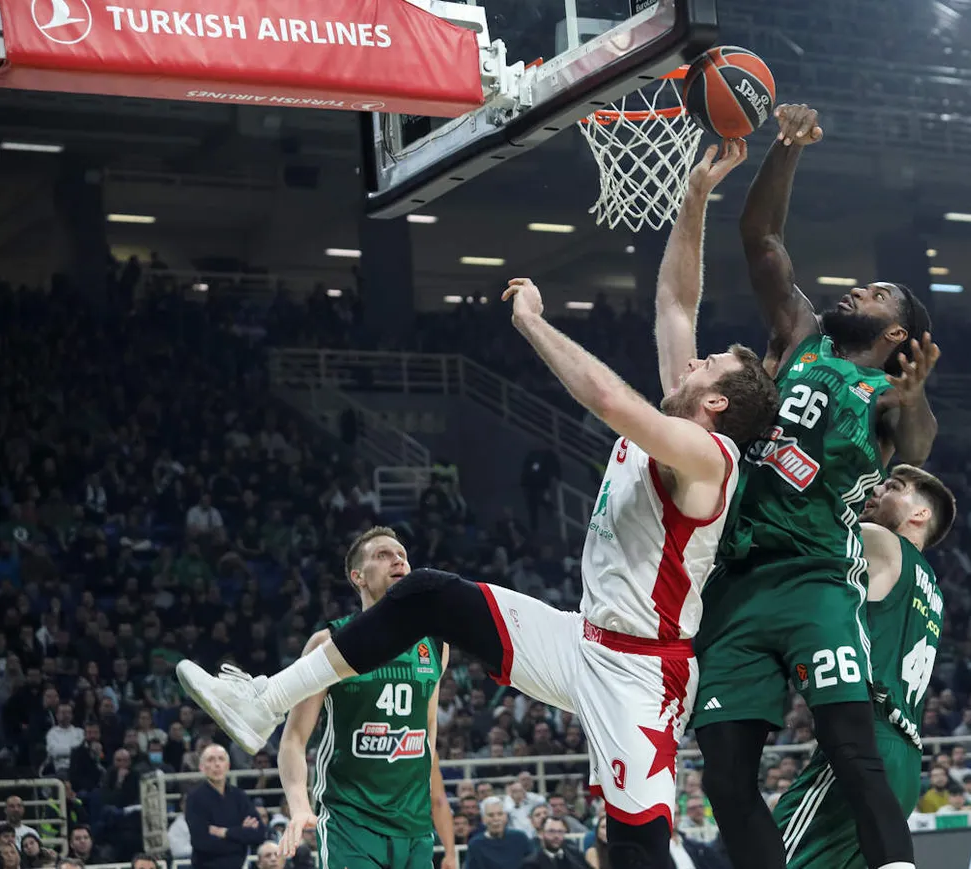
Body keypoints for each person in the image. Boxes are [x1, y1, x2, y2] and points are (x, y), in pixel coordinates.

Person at [176, 142, 777, 869]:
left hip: (643, 672)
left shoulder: (709, 458)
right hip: (582, 640)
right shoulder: (683, 416)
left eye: (709, 365)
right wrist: (694, 195)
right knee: (426, 594)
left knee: (638, 845)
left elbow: (607, 398)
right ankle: (264, 700)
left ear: (716, 402)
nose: (694, 358)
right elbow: (676, 302)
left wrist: (529, 321)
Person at [692, 103, 938, 869]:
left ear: (896, 334)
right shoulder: (802, 334)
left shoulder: (891, 403)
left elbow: (921, 449)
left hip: (816, 580)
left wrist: (917, 398)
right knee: (725, 775)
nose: (856, 291)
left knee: (849, 744)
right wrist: (784, 149)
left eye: (875, 294)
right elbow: (760, 238)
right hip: (734, 579)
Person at [775, 466, 955, 869]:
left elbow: (815, 521)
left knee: (768, 854)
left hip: (866, 737)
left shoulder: (881, 543)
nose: (877, 489)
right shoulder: (933, 590)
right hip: (906, 759)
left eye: (894, 487)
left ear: (920, 515)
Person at [272, 527, 457, 869]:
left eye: (402, 554)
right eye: (383, 555)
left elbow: (427, 734)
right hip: (351, 822)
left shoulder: (435, 646)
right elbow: (293, 740)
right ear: (358, 577)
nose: (398, 559)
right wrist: (299, 806)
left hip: (414, 827)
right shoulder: (327, 643)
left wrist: (441, 822)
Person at [185, 744, 266, 869]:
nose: (217, 764)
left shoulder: (239, 796)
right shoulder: (195, 798)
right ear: (202, 767)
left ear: (228, 766)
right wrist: (241, 834)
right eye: (211, 760)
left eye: (221, 759)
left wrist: (225, 832)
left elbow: (259, 834)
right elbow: (201, 842)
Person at [464, 798, 531, 869]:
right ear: (483, 819)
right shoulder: (475, 845)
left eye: (500, 814)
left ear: (506, 817)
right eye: (491, 815)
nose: (496, 818)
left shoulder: (520, 838)